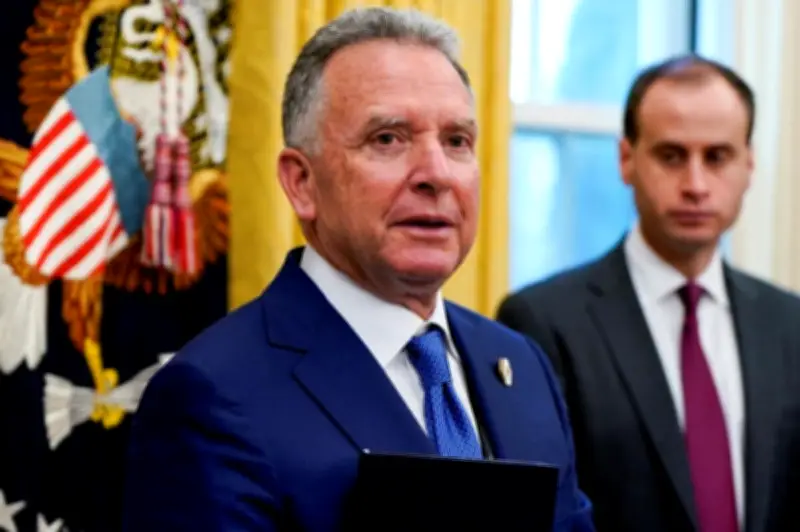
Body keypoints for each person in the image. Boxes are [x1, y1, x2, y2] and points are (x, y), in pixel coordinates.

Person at [121, 7, 593, 531]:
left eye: (457, 141)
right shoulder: (213, 395)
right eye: (388, 138)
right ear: (301, 183)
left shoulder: (520, 365)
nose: (436, 173)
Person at [496, 54, 800, 532]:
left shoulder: (788, 324)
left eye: (717, 157)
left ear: (749, 164)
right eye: (671, 156)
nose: (695, 185)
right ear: (626, 159)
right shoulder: (543, 323)